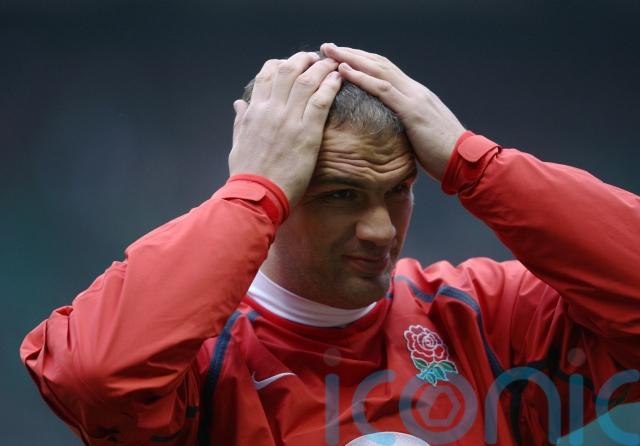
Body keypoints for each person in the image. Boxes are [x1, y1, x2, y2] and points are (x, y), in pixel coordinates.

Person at [20, 43, 640, 446]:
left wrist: (473, 162)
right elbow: (94, 377)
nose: (380, 229)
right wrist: (250, 192)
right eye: (341, 195)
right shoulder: (198, 366)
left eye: (398, 191)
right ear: (278, 191)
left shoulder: (481, 319)